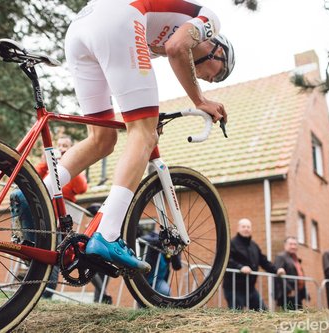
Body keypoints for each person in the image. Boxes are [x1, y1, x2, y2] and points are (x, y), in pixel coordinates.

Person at [49, 0, 235, 273]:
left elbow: (137, 70)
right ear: (218, 50)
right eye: (219, 74)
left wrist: (143, 122)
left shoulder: (160, 36)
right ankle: (108, 234)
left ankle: (36, 193)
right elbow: (177, 49)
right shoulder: (210, 20)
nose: (210, 80)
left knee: (102, 139)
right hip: (119, 18)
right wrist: (200, 100)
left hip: (81, 28)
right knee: (143, 134)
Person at [10, 135, 88, 298]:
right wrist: (49, 162)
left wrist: (69, 162)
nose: (61, 148)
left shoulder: (73, 172)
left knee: (54, 255)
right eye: (59, 145)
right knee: (37, 251)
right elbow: (34, 176)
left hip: (59, 222)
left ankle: (47, 294)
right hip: (41, 217)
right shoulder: (47, 168)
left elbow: (81, 188)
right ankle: (33, 291)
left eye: (65, 145)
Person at [222, 218, 285, 310]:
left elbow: (263, 261)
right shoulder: (231, 244)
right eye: (243, 226)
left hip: (250, 288)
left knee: (263, 312)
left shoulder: (254, 245)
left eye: (248, 227)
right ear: (238, 228)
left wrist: (276, 270)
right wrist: (240, 267)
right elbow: (227, 260)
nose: (246, 229)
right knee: (237, 315)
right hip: (234, 288)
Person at [141, 231, 182, 296]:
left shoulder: (173, 248)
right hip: (146, 278)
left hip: (159, 281)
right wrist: (164, 242)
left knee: (166, 291)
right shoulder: (154, 235)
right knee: (143, 297)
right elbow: (143, 239)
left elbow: (177, 266)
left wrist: (175, 251)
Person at [274, 236, 309, 310]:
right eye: (291, 244)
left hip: (297, 292)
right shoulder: (281, 257)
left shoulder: (295, 258)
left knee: (299, 317)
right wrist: (289, 290)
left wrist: (304, 292)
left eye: (295, 244)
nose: (293, 246)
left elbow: (300, 276)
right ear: (285, 245)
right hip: (288, 294)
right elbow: (278, 275)